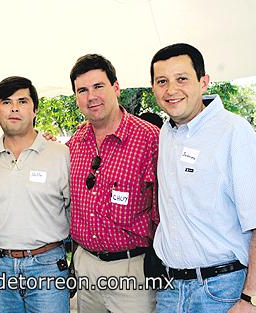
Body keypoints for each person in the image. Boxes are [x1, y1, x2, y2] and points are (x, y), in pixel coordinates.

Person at [150, 43, 256, 312]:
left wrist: (251, 298)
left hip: (220, 291)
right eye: (162, 81)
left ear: (203, 82)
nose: (171, 90)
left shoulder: (234, 132)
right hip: (170, 289)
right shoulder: (166, 134)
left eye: (182, 79)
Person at [67, 54, 159, 312]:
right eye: (82, 90)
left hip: (132, 269)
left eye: (98, 86)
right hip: (85, 264)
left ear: (116, 87)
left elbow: (165, 209)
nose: (91, 96)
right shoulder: (74, 143)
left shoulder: (150, 139)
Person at [0, 76, 70, 313]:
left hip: (47, 266)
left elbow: (74, 212)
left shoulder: (61, 154)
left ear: (35, 109)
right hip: (1, 268)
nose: (15, 108)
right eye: (6, 102)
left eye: (22, 101)